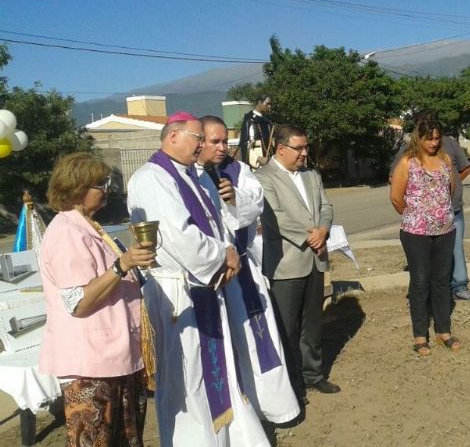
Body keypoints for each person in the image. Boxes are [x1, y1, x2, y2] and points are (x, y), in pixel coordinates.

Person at [127, 112, 270, 447]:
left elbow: (220, 221)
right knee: (189, 379)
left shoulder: (194, 174)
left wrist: (229, 252)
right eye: (198, 139)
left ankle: (228, 439)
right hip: (180, 296)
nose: (204, 146)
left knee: (219, 371)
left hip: (208, 286)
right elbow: (178, 237)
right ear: (174, 136)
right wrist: (223, 254)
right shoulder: (152, 178)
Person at [39, 152, 155, 446]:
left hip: (116, 356)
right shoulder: (66, 233)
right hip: (90, 364)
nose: (107, 189)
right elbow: (77, 302)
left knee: (123, 440)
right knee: (93, 441)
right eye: (100, 184)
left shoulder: (90, 228)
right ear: (78, 188)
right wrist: (122, 265)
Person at [197, 115, 300, 422]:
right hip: (208, 278)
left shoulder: (238, 170)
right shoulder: (186, 176)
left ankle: (276, 407)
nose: (221, 148)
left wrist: (232, 199)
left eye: (224, 141)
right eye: (213, 142)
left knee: (259, 341)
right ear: (198, 142)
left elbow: (254, 206)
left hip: (240, 272)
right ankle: (239, 414)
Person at [255, 124, 340, 402]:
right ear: (281, 149)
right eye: (299, 148)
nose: (305, 153)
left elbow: (326, 207)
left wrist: (323, 230)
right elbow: (275, 217)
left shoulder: (312, 175)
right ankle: (291, 385)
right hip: (286, 263)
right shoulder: (263, 178)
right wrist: (310, 237)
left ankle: (313, 374)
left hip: (315, 259)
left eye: (306, 147)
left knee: (313, 322)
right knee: (287, 327)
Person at [390, 116, 462, 356]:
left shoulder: (445, 160)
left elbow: (449, 190)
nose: (433, 143)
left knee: (442, 280)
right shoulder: (406, 162)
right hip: (415, 233)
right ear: (418, 138)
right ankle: (420, 335)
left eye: (436, 138)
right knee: (420, 282)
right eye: (428, 138)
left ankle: (444, 331)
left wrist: (439, 214)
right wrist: (418, 216)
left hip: (445, 231)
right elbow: (396, 197)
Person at [390, 113, 470, 301]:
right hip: (419, 224)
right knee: (425, 262)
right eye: (424, 127)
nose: (433, 141)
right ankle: (427, 293)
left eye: (434, 133)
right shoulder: (406, 152)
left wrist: (443, 187)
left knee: (456, 248)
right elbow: (395, 186)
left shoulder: (449, 145)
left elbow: (465, 168)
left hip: (452, 211)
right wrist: (414, 212)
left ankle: (459, 285)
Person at [238, 94, 273, 170]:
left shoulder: (267, 122)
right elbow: (244, 145)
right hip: (255, 166)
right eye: (267, 104)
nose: (269, 107)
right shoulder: (249, 120)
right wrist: (258, 158)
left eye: (270, 104)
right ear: (260, 103)